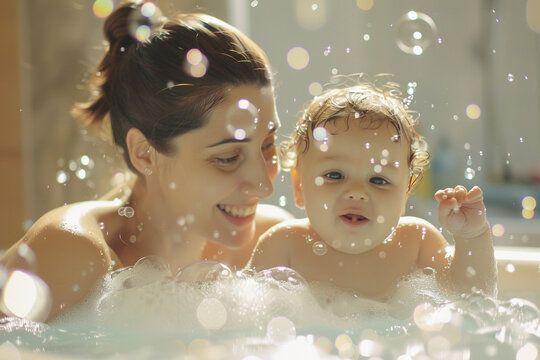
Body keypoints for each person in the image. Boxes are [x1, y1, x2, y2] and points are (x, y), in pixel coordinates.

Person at [0, 1, 292, 322]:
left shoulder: (274, 246)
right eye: (228, 157)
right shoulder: (72, 255)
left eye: (267, 145)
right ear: (144, 153)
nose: (264, 184)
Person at [247, 79, 497, 300]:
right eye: (335, 175)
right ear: (299, 186)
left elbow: (473, 299)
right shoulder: (282, 246)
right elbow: (246, 319)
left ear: (406, 192)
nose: (357, 192)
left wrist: (471, 237)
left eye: (378, 180)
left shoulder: (417, 242)